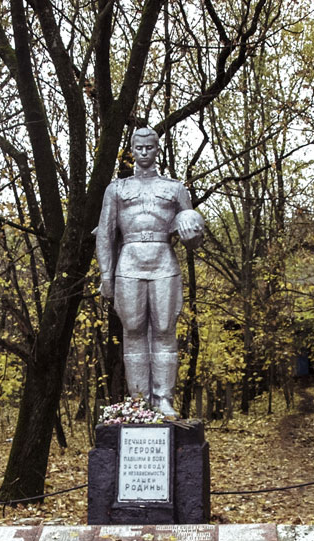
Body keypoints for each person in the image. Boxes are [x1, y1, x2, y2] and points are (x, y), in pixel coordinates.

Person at [96, 126, 204, 417]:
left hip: (163, 262)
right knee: (132, 331)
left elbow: (193, 232)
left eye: (150, 147)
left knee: (165, 330)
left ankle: (164, 397)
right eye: (139, 147)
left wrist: (192, 228)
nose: (144, 152)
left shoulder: (174, 188)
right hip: (129, 263)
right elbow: (105, 234)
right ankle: (139, 402)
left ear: (157, 149)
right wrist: (106, 275)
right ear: (132, 150)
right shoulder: (116, 189)